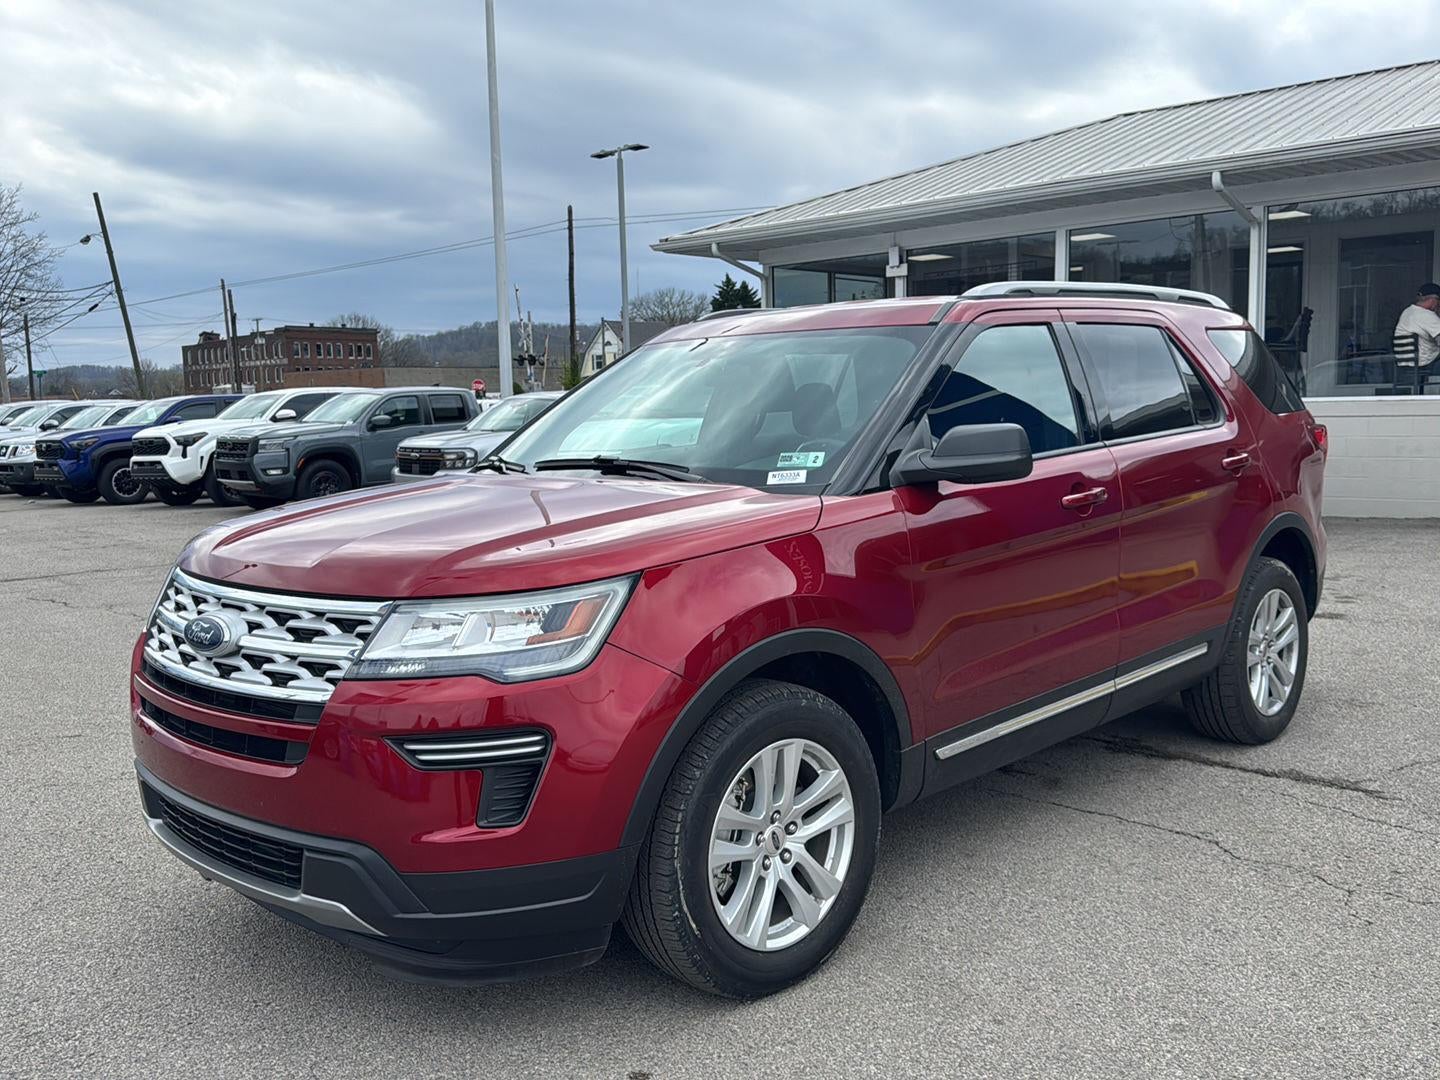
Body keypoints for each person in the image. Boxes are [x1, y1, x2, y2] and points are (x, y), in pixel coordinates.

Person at [1394, 282, 1440, 370]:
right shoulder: (1426, 315)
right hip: (1424, 363)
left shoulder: (1407, 312)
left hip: (1405, 363)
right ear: (1434, 300)